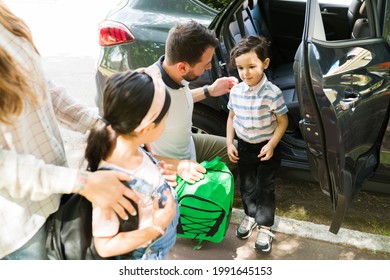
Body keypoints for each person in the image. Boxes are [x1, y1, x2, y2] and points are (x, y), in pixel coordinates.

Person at [0, 2, 138, 260]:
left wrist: (104, 127)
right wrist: (81, 182)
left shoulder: (7, 19)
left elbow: (45, 89)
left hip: (54, 195)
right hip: (21, 227)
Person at [85, 66, 178, 260]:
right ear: (146, 128)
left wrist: (157, 174)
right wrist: (156, 227)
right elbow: (105, 246)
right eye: (164, 119)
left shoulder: (137, 148)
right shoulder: (112, 182)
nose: (165, 124)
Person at [150, 20, 239, 184]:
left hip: (189, 143)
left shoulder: (175, 71)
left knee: (239, 152)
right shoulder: (148, 91)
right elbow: (129, 153)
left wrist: (209, 90)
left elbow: (177, 99)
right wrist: (179, 166)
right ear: (182, 67)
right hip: (171, 164)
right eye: (205, 64)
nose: (209, 68)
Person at [226, 35, 288, 253]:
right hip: (244, 146)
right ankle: (250, 215)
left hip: (266, 148)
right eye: (240, 68)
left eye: (251, 66)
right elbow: (231, 117)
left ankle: (265, 225)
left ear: (265, 64)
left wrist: (271, 144)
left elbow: (283, 121)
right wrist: (229, 142)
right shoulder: (236, 91)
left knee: (265, 187)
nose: (246, 73)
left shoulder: (273, 93)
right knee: (247, 185)